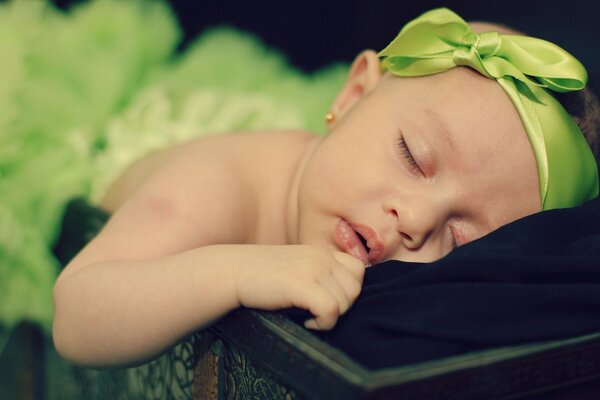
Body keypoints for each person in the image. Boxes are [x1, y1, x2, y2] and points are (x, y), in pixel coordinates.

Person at [52, 8, 599, 368]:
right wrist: (238, 270)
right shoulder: (212, 186)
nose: (414, 220)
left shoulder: (358, 185)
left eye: (459, 239)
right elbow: (77, 313)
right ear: (356, 92)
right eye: (413, 157)